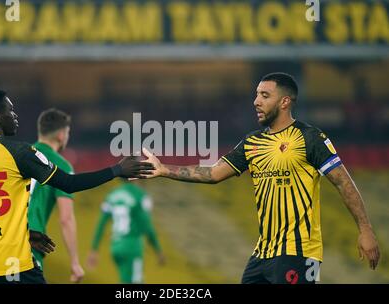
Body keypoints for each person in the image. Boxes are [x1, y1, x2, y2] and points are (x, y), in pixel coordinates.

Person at [141, 72, 380, 284]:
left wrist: (365, 230)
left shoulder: (310, 138)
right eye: (256, 95)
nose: (256, 101)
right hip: (262, 255)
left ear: (285, 102)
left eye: (265, 96)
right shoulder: (252, 142)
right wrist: (163, 169)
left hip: (298, 253)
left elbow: (342, 182)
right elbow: (213, 173)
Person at [0, 88, 154, 284]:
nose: (15, 116)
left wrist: (25, 235)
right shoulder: (19, 153)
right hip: (11, 265)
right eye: (10, 110)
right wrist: (116, 170)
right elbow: (68, 183)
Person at [27, 108, 84, 283]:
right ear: (61, 134)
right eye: (67, 132)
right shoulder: (60, 165)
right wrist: (75, 262)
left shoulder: (21, 155)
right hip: (29, 244)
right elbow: (66, 218)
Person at [87, 179, 165, 283]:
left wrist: (94, 249)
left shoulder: (112, 195)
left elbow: (101, 223)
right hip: (132, 246)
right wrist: (158, 249)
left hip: (116, 246)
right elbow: (147, 225)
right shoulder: (140, 195)